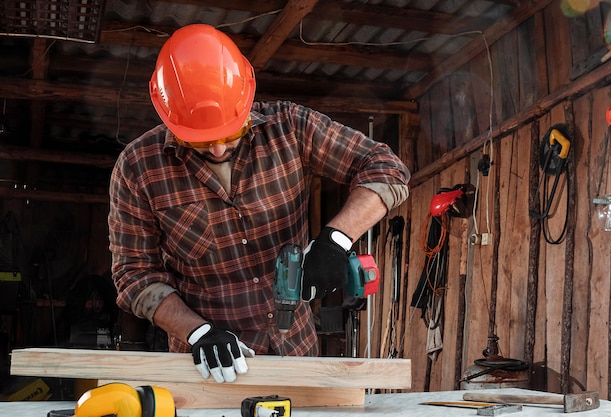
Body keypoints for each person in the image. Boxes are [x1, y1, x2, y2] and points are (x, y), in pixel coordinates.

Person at [108, 24, 410, 384]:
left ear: (246, 102)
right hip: (209, 368)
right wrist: (198, 333)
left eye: (229, 133)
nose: (218, 150)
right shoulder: (138, 166)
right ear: (168, 116)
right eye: (199, 139)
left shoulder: (291, 128)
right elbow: (134, 275)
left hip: (295, 353)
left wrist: (336, 240)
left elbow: (386, 169)